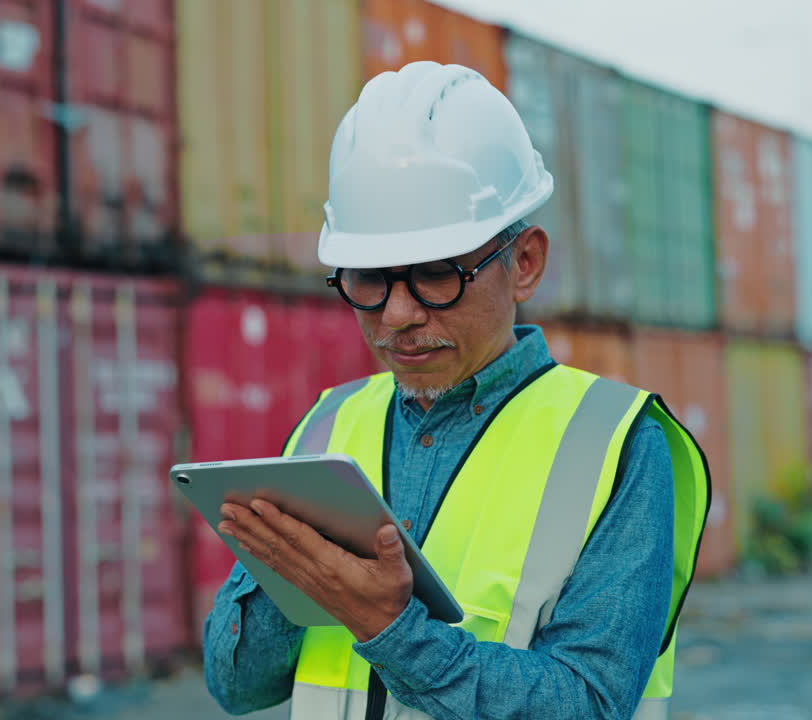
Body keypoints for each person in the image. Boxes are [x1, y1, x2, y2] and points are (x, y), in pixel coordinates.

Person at [202, 62, 709, 720]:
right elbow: (236, 685)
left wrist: (390, 629)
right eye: (367, 278)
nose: (396, 315)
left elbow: (587, 700)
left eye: (437, 274)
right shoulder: (328, 424)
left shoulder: (617, 445)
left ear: (525, 263)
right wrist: (295, 578)